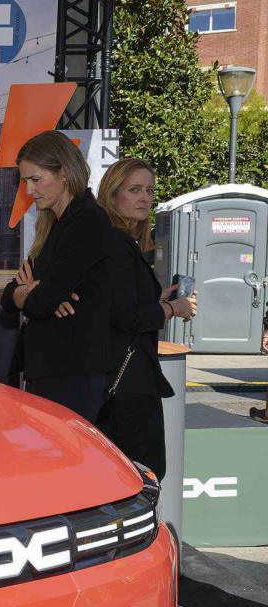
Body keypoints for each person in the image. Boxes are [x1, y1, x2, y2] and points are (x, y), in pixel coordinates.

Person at [93, 158, 197, 478]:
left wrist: (156, 298)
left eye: (149, 191)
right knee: (144, 474)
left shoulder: (111, 240)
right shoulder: (118, 242)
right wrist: (172, 309)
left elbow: (115, 305)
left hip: (114, 378)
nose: (144, 198)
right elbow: (126, 317)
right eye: (134, 190)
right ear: (113, 195)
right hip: (128, 383)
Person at [0, 131, 113, 422]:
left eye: (35, 180)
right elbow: (11, 296)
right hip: (56, 371)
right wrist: (30, 292)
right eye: (25, 181)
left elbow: (42, 302)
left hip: (73, 374)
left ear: (63, 173)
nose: (28, 190)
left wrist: (37, 294)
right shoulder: (55, 224)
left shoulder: (86, 219)